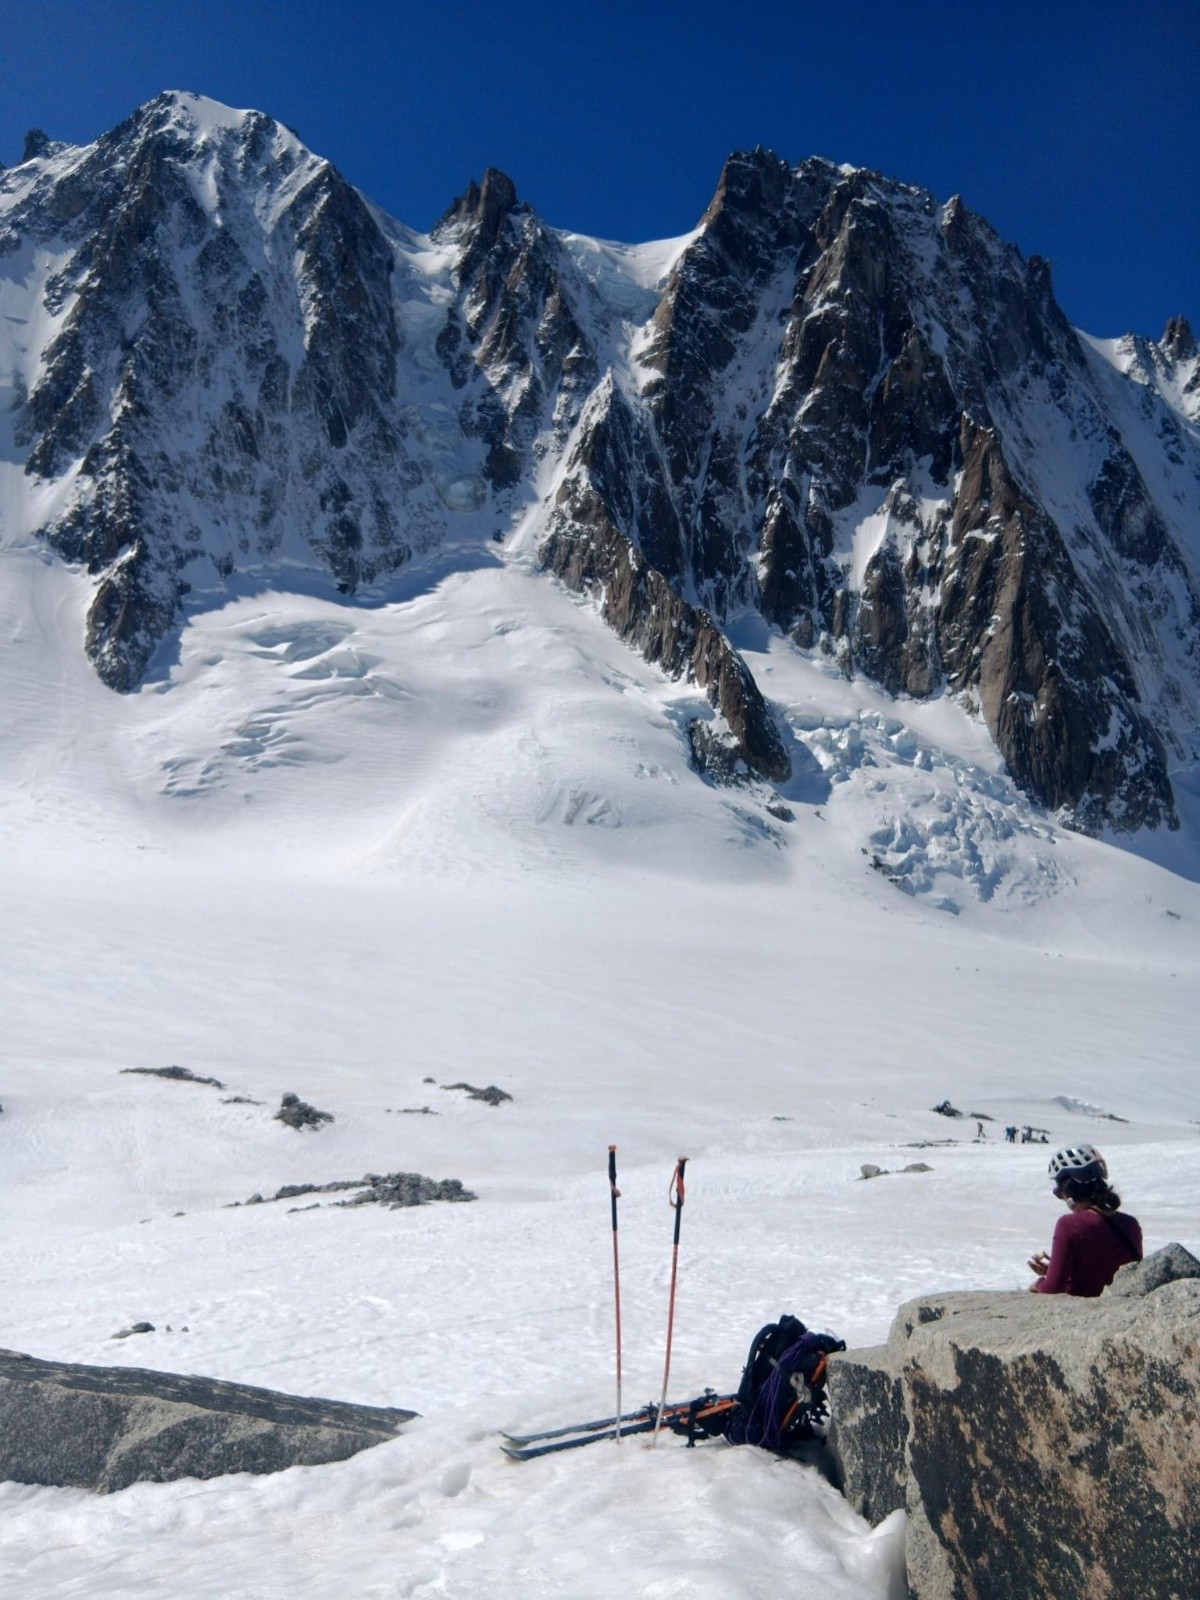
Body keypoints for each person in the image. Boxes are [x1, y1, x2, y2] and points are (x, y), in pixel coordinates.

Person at [1028, 1145, 1142, 1297]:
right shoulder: (1131, 1224)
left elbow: (1053, 1288)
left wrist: (1039, 1283)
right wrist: (1056, 1270)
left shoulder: (1068, 1225)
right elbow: (1105, 1271)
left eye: (1058, 1191)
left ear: (1068, 1190)